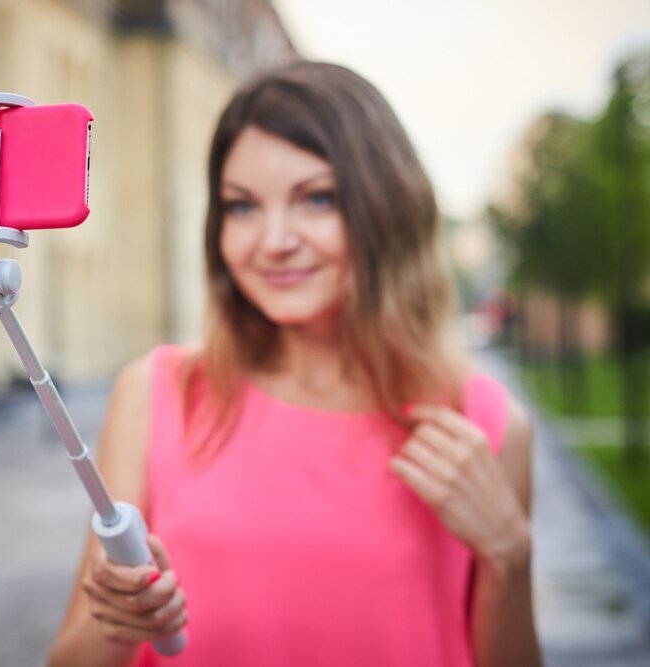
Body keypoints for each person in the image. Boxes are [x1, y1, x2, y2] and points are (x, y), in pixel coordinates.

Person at [47, 61, 542, 667]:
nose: (274, 241)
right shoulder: (157, 394)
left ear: (387, 208)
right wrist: (119, 623)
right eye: (242, 207)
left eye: (317, 199)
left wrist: (510, 554)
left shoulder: (484, 424)